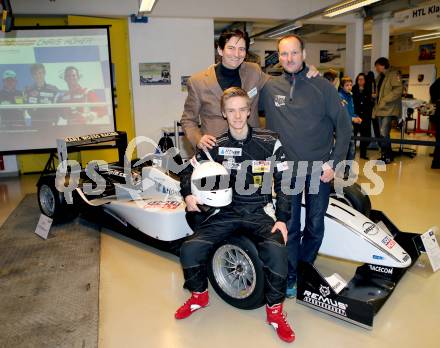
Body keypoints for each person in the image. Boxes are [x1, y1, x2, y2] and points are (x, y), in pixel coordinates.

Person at [176, 87, 295, 343]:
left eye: (242, 109)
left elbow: (285, 181)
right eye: (231, 111)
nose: (238, 116)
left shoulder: (270, 140)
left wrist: (283, 218)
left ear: (249, 110)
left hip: (259, 210)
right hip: (225, 211)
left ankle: (275, 313)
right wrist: (188, 195)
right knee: (189, 250)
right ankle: (199, 297)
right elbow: (187, 173)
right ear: (223, 113)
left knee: (277, 251)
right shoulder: (215, 145)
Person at [259, 34, 351, 298]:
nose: (289, 58)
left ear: (304, 54)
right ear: (278, 56)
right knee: (290, 225)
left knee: (315, 224)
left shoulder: (323, 87)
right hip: (287, 172)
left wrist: (333, 164)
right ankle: (290, 274)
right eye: (284, 54)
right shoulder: (269, 87)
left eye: (294, 53)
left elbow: (344, 129)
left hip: (318, 171)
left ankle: (304, 265)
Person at [180, 29, 318, 151]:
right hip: (217, 151)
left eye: (242, 49)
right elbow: (188, 120)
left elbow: (280, 83)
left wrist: (303, 70)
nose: (236, 54)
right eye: (231, 48)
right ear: (220, 50)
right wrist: (198, 139)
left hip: (251, 150)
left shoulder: (254, 71)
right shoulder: (198, 82)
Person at [372, 57, 403, 164]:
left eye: (376, 66)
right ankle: (385, 154)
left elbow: (398, 90)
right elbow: (378, 90)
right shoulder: (380, 77)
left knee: (384, 132)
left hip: (389, 109)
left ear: (382, 65)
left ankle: (388, 156)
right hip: (380, 109)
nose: (376, 68)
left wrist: (385, 100)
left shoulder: (394, 75)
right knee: (381, 134)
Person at [339, 76, 361, 178]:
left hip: (350, 126)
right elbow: (342, 113)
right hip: (342, 127)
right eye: (347, 85)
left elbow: (350, 111)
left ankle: (348, 170)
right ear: (342, 86)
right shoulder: (340, 96)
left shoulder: (350, 96)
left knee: (351, 150)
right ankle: (341, 171)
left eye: (350, 85)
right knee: (344, 150)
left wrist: (356, 117)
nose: (349, 87)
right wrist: (352, 119)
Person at [352, 73, 373, 160]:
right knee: (354, 135)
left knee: (366, 136)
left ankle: (363, 154)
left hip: (365, 116)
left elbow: (370, 103)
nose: (360, 81)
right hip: (355, 115)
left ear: (365, 81)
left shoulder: (368, 89)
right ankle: (351, 154)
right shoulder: (353, 89)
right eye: (359, 79)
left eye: (362, 79)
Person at [430, 77, 440, 169]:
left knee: (438, 138)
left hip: (437, 112)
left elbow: (432, 89)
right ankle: (437, 162)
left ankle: (436, 161)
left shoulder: (437, 82)